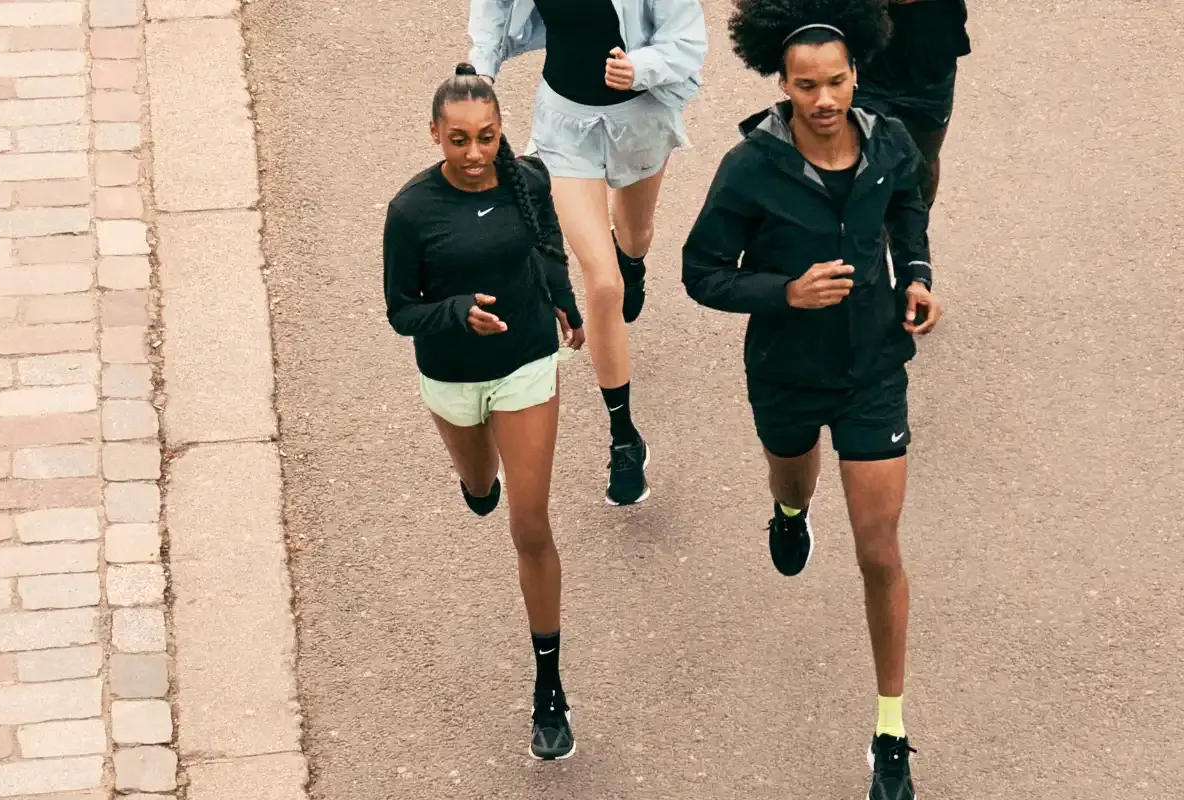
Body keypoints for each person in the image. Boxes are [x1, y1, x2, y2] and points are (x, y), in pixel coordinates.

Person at [682, 2, 943, 797]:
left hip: (872, 370)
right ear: (783, 84)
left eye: (834, 81)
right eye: (806, 86)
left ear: (855, 73)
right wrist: (784, 292)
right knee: (792, 478)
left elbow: (907, 204)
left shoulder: (887, 140)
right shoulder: (750, 167)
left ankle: (891, 729)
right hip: (787, 372)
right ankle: (789, 512)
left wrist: (919, 273)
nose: (824, 99)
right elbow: (701, 271)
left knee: (879, 549)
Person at [382, 63, 587, 761]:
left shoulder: (526, 180)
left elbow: (545, 244)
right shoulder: (412, 212)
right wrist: (456, 314)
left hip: (527, 365)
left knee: (530, 524)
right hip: (452, 378)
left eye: (488, 137)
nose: (475, 154)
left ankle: (549, 687)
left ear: (501, 133)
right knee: (481, 490)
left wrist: (563, 300)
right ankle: (478, 481)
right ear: (436, 134)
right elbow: (400, 312)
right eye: (460, 139)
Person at [468, 0, 708, 506]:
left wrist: (639, 68)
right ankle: (625, 439)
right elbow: (495, 7)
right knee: (602, 284)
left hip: (640, 116)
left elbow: (687, 43)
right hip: (565, 125)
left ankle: (634, 261)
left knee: (635, 235)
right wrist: (481, 69)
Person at [852, 0, 971, 206]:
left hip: (928, 59)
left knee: (922, 163)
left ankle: (916, 224)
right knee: (852, 160)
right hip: (862, 53)